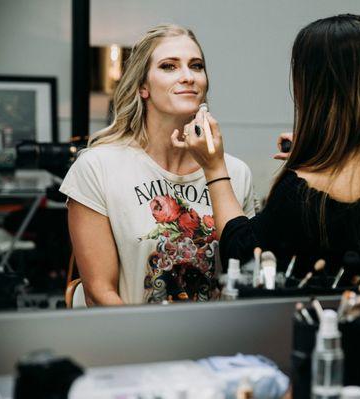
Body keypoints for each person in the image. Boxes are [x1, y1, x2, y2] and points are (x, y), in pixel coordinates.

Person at [172, 14, 360, 290]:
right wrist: (330, 149)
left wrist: (214, 168)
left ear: (313, 87)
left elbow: (244, 255)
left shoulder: (299, 194)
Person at [60, 24, 255, 306]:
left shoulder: (234, 173)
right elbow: (100, 293)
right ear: (143, 87)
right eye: (169, 66)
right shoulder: (97, 168)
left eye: (196, 66)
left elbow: (247, 276)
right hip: (133, 340)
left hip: (217, 339)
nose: (188, 77)